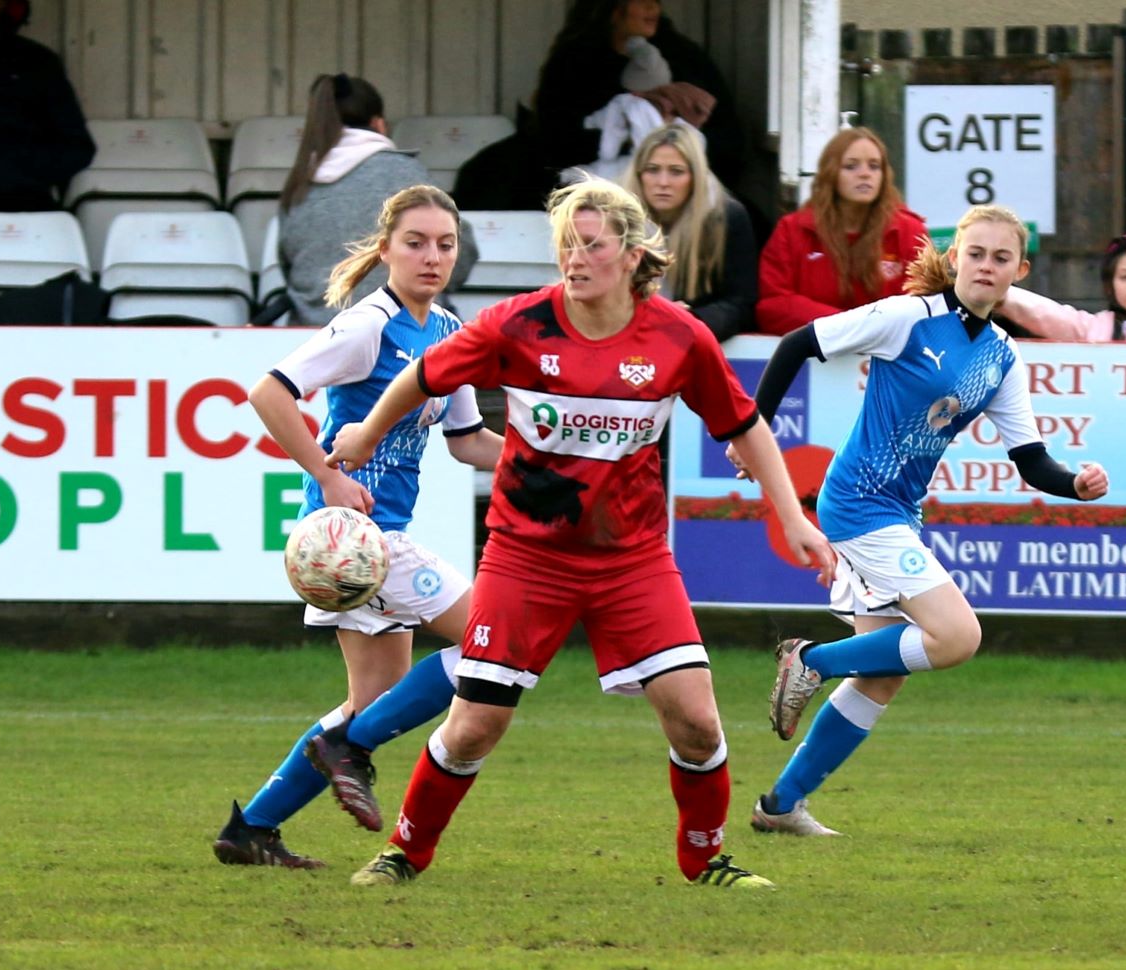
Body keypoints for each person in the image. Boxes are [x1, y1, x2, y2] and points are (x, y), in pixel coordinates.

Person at [325, 176, 835, 890]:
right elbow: (424, 377)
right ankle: (406, 851)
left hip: (633, 562)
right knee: (474, 727)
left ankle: (705, 858)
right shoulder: (519, 324)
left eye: (591, 245)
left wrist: (791, 518)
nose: (575, 258)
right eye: (566, 244)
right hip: (526, 557)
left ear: (630, 254)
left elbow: (743, 425)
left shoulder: (678, 338)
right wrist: (367, 429)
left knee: (697, 722)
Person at [731, 205, 1110, 838]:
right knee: (958, 636)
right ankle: (812, 661)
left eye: (1000, 257)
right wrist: (755, 432)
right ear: (954, 256)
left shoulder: (1001, 356)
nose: (986, 266)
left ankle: (780, 806)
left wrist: (1075, 483)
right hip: (858, 504)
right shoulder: (909, 317)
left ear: (1020, 269)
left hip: (896, 512)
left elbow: (1032, 461)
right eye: (975, 253)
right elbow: (801, 342)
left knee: (881, 676)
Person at [213, 185, 503, 869]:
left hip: (376, 540)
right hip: (353, 539)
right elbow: (268, 391)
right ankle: (346, 748)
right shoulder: (369, 324)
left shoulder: (448, 332)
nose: (432, 256)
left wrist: (553, 457)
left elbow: (467, 441)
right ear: (385, 250)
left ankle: (250, 829)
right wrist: (329, 473)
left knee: (370, 700)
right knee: (494, 644)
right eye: (416, 242)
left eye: (445, 244)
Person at [277, 73, 478, 326]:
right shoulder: (409, 175)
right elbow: (462, 252)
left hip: (313, 340)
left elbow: (289, 268)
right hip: (406, 338)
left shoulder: (299, 185)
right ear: (379, 125)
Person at [533, 1, 743, 190]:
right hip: (594, 190)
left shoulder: (684, 58)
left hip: (680, 192)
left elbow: (729, 138)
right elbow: (554, 140)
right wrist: (626, 136)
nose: (654, 8)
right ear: (614, 9)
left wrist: (676, 139)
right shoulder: (572, 63)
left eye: (656, 1)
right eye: (643, 0)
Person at [754, 127, 928, 337]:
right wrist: (847, 326)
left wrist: (860, 328)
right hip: (814, 362)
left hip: (887, 362)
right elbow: (774, 305)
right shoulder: (792, 230)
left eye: (874, 166)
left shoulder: (909, 232)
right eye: (851, 166)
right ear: (831, 174)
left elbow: (926, 308)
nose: (865, 173)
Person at [621, 123, 756, 340]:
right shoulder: (614, 220)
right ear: (639, 174)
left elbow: (741, 305)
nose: (663, 182)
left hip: (692, 343)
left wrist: (689, 320)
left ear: (695, 177)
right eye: (652, 170)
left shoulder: (726, 218)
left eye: (676, 172)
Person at [0, 0, 96, 211]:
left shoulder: (38, 62)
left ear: (2, 4)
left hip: (24, 207)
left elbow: (77, 147)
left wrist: (12, 170)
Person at [996, 231, 1126, 343]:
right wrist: (998, 293)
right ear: (1110, 287)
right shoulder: (1096, 327)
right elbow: (1049, 315)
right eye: (1124, 277)